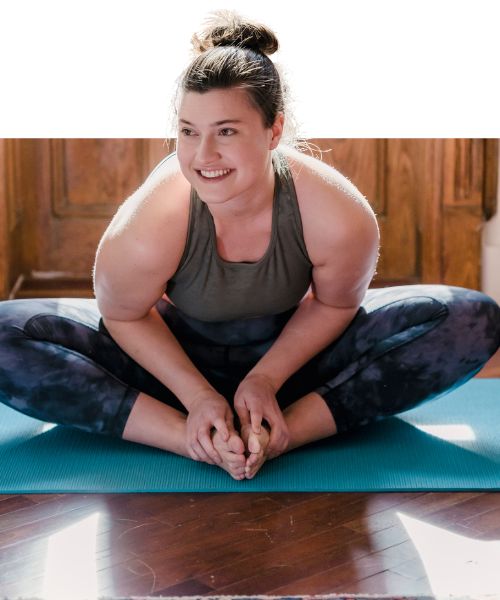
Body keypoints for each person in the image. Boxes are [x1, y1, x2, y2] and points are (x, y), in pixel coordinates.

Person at [1, 10, 499, 481]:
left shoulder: (337, 214)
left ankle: (286, 432)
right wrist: (196, 401)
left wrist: (264, 381)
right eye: (188, 131)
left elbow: (334, 305)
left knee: (472, 318)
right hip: (170, 367)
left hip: (295, 363)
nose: (203, 155)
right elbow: (125, 316)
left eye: (226, 132)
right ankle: (190, 438)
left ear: (273, 129)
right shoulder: (154, 218)